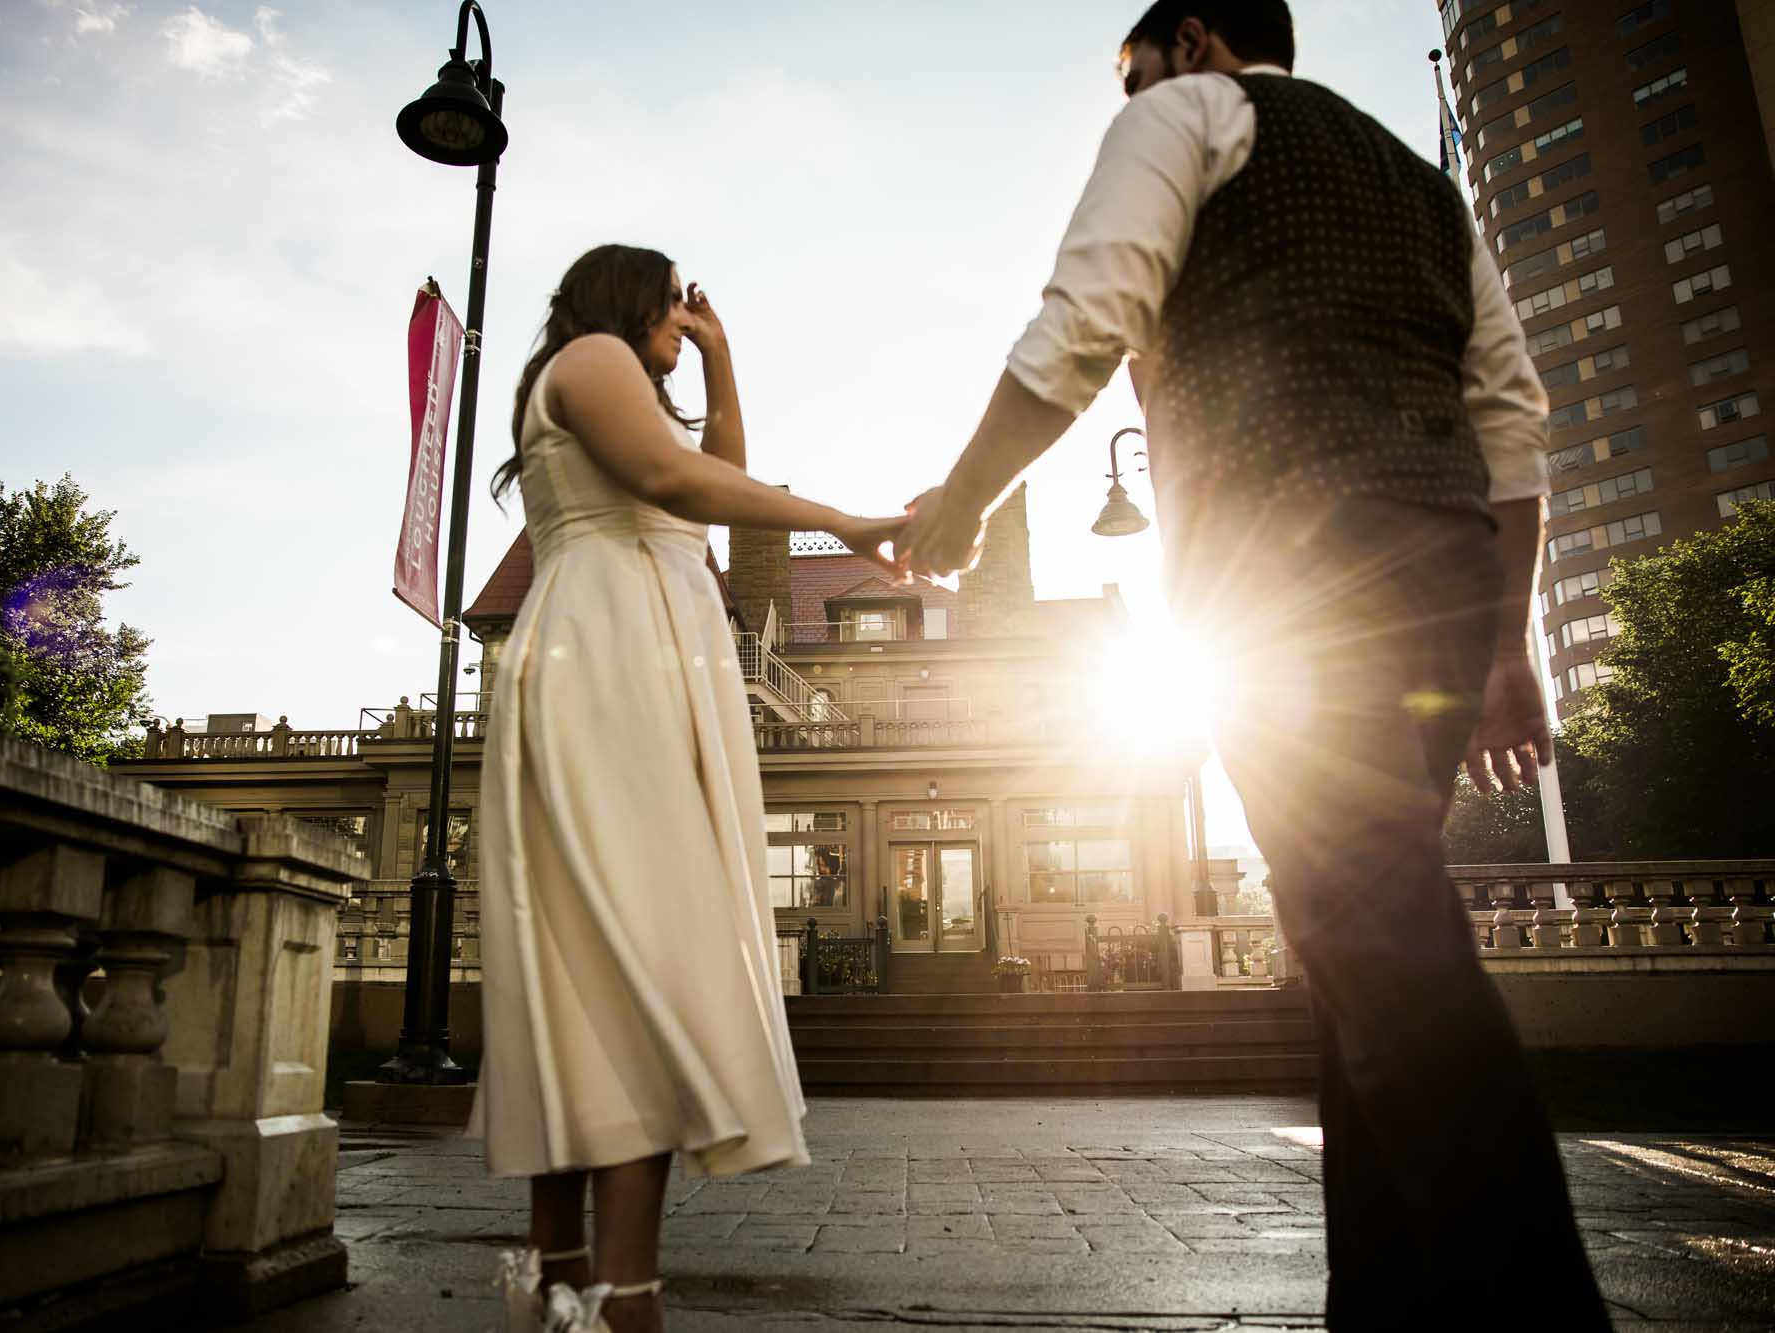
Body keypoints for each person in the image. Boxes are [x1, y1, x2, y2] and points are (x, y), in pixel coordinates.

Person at [895, 3, 1609, 1327]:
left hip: (1289, 566)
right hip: (1445, 571)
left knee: (1376, 936)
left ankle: (1536, 1309)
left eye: (1133, 68)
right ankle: (1382, 1298)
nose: (1127, 95)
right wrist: (1508, 643)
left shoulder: (1188, 118)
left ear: (1200, 41)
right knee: (1365, 934)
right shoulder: (1419, 177)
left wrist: (966, 500)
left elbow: (1086, 315)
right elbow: (1512, 418)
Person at [469, 242, 905, 1333]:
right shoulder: (589, 359)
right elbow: (674, 483)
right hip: (610, 647)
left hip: (640, 641)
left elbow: (713, 491)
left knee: (607, 948)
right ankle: (619, 1297)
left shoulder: (615, 373)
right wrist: (846, 520)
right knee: (634, 943)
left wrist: (719, 362)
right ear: (632, 299)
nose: (684, 319)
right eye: (675, 306)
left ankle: (561, 1273)